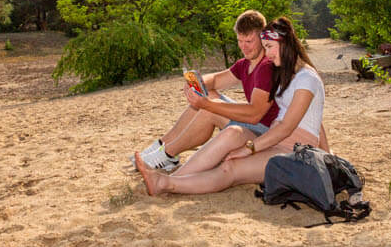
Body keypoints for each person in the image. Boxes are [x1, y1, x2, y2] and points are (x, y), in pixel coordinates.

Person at [135, 17, 328, 197]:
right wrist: (198, 84)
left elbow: (286, 126)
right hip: (274, 141)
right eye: (265, 46)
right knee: (228, 146)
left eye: (269, 46)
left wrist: (249, 148)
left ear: (284, 43)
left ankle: (168, 179)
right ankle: (165, 169)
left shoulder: (305, 78)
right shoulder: (290, 74)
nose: (268, 53)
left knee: (230, 167)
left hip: (289, 147)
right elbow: (315, 119)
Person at [136, 10, 279, 173]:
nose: (244, 47)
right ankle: (162, 145)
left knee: (209, 109)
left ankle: (168, 153)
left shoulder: (266, 67)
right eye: (240, 41)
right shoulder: (245, 63)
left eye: (249, 41)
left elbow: (255, 114)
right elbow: (217, 80)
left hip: (264, 132)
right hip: (254, 123)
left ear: (262, 37)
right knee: (208, 94)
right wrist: (197, 83)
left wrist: (209, 105)